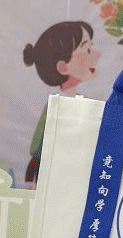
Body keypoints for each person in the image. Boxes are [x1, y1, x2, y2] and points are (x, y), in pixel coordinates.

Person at [23, 21, 100, 185]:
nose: (97, 54)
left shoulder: (80, 102)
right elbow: (39, 142)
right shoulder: (55, 105)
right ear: (63, 67)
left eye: (92, 47)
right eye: (87, 50)